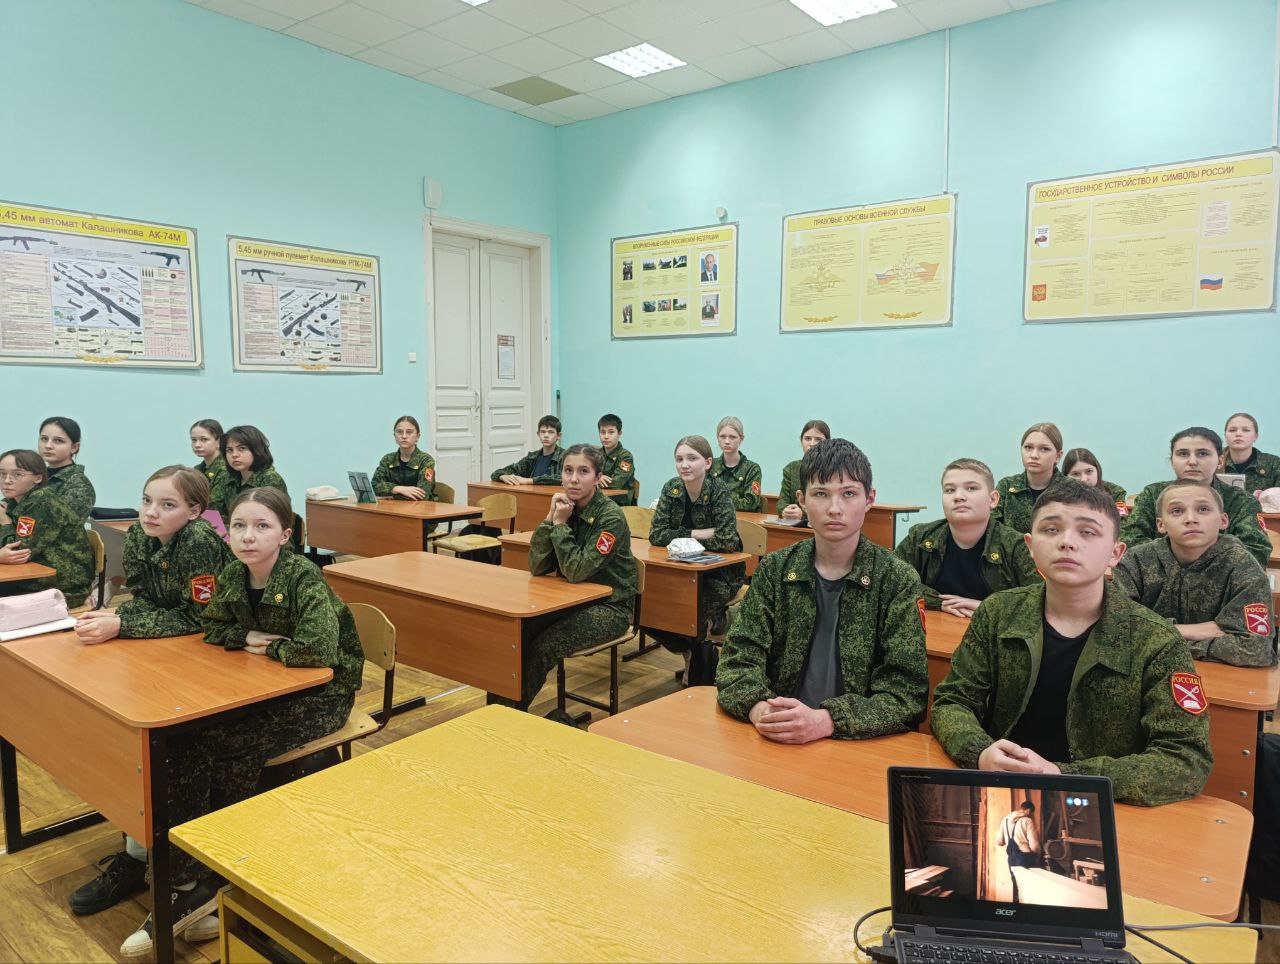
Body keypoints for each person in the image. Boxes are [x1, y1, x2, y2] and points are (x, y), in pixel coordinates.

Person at [119, 487, 363, 957]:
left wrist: (271, 647)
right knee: (185, 739)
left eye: (262, 526)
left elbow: (318, 651)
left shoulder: (303, 576)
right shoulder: (233, 573)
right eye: (238, 526)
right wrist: (250, 635)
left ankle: (209, 875)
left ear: (285, 535)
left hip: (321, 695)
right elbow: (212, 625)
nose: (248, 537)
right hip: (264, 687)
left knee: (219, 744)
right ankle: (192, 877)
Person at [930, 479, 1213, 806]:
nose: (1067, 542)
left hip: (1096, 806)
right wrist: (979, 752)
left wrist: (1065, 776)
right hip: (1001, 792)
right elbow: (953, 701)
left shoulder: (1156, 641)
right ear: (1030, 545)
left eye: (1087, 532)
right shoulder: (998, 613)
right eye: (1051, 530)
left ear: (1116, 553)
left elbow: (1185, 758)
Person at [68, 466, 232, 923]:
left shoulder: (199, 541)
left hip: (211, 656)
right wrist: (112, 617)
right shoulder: (141, 535)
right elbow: (144, 597)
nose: (150, 512)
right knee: (121, 732)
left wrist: (123, 625)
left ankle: (165, 859)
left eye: (167, 505)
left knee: (169, 750)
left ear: (194, 511)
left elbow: (200, 617)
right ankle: (137, 850)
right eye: (146, 500)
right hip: (168, 652)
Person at [717, 439, 929, 743]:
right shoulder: (775, 569)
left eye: (849, 494)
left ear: (869, 499)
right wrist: (760, 709)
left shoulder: (897, 580)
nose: (834, 508)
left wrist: (827, 721)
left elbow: (906, 694)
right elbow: (737, 660)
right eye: (820, 494)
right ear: (802, 499)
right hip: (777, 736)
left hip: (857, 744)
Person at [487, 444, 636, 722]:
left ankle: (507, 719)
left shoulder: (610, 517)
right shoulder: (565, 508)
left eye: (583, 472)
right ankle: (495, 716)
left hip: (611, 607)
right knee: (512, 634)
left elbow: (576, 570)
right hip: (569, 600)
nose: (573, 479)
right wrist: (549, 518)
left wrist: (560, 525)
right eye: (568, 471)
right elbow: (538, 566)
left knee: (544, 646)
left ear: (597, 477)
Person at [1113, 480, 1275, 667]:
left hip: (1221, 675)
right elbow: (1114, 629)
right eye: (1177, 511)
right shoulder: (1135, 561)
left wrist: (1158, 636)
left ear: (1223, 521)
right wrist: (1188, 631)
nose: (1190, 519)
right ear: (1161, 524)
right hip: (1149, 672)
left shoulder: (1243, 566)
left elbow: (1256, 650)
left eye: (1203, 509)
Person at [649, 435, 745, 685]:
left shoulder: (719, 491)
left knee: (695, 607)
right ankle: (688, 650)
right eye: (679, 459)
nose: (684, 465)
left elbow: (728, 540)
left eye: (692, 458)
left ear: (708, 463)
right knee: (647, 607)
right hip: (680, 570)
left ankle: (700, 663)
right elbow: (656, 535)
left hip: (721, 574)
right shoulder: (671, 488)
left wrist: (680, 537)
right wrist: (697, 533)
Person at [894, 458, 1039, 616]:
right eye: (949, 490)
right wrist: (937, 602)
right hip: (935, 627)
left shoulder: (1016, 546)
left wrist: (988, 607)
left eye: (971, 488)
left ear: (993, 499)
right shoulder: (920, 538)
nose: (958, 496)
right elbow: (892, 580)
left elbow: (1040, 600)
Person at [1121, 426, 1270, 569]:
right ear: (1172, 461)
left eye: (1202, 454)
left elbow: (1256, 550)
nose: (1192, 461)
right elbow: (1130, 540)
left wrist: (1195, 568)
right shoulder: (1153, 494)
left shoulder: (1241, 500)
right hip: (1158, 583)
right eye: (1183, 454)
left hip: (1220, 583)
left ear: (1220, 461)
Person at [0, 449, 94, 604]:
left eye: (17, 474)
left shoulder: (42, 501)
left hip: (62, 588)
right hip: (31, 577)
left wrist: (5, 522)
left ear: (38, 478)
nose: (7, 480)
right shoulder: (14, 501)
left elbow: (17, 552)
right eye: (2, 474)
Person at [994, 422, 1064, 534]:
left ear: (1058, 456)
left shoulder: (1072, 489)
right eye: (1028, 447)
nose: (1034, 455)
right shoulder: (1006, 486)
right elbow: (993, 528)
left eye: (1044, 449)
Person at [211, 424, 288, 524]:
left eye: (242, 448)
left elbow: (271, 521)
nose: (234, 455)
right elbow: (214, 510)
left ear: (257, 450)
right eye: (229, 450)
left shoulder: (270, 479)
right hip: (233, 530)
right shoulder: (227, 477)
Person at [39, 416, 95, 521]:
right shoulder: (34, 476)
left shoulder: (79, 487)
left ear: (74, 447)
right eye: (44, 439)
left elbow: (49, 526)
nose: (48, 446)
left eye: (58, 441)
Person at [371, 415, 438, 501]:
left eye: (409, 432)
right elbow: (374, 486)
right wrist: (397, 488)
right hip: (392, 508)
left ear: (417, 437)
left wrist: (390, 497)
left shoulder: (426, 461)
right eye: (399, 432)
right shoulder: (387, 460)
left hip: (421, 508)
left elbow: (422, 494)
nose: (404, 436)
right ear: (394, 436)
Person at [779, 419, 830, 520]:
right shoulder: (791, 468)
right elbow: (782, 502)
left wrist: (803, 514)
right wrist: (786, 510)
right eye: (807, 439)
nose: (812, 444)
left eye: (818, 440)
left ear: (827, 443)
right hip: (792, 523)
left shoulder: (832, 470)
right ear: (801, 441)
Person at [491, 415, 564, 485]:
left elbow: (563, 477)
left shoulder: (565, 457)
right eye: (543, 432)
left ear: (558, 435)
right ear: (538, 434)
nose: (546, 435)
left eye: (551, 432)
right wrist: (502, 476)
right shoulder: (532, 458)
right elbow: (497, 473)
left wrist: (529, 481)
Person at [709, 415, 763, 511]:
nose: (727, 441)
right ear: (717, 437)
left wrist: (718, 497)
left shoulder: (752, 469)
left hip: (741, 519)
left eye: (732, 437)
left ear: (741, 439)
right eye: (722, 436)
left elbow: (750, 504)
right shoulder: (710, 465)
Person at [1223, 412, 1280, 495]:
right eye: (1232, 430)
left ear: (1256, 436)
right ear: (1225, 436)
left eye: (1246, 430)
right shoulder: (1215, 462)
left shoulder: (1274, 464)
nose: (1238, 434)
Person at [1063, 447, 1127, 516]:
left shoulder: (1116, 492)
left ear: (1098, 470)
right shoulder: (1058, 496)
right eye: (1075, 474)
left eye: (1089, 471)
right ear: (1066, 476)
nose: (1083, 479)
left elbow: (1121, 520)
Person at [596, 413, 636, 505]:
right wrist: (597, 478)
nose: (606, 436)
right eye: (602, 432)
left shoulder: (626, 457)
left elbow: (616, 483)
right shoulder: (595, 454)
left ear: (619, 434)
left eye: (611, 432)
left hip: (620, 504)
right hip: (598, 498)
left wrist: (594, 480)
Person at [997, 801, 1041, 872]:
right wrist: (1039, 853)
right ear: (1028, 811)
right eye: (1031, 814)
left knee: (1015, 879)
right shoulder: (1027, 820)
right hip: (1025, 858)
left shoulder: (1005, 820)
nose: (1031, 816)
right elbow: (1034, 846)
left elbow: (999, 842)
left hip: (1011, 859)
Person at [189, 418, 229, 494]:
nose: (197, 445)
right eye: (194, 440)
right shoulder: (197, 469)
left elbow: (213, 501)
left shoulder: (225, 470)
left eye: (204, 439)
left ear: (219, 442)